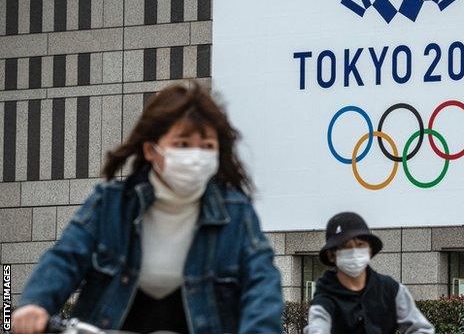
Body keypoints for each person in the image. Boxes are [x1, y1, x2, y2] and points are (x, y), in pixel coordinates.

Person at [11, 81, 284, 334]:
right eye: (182, 144)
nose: (196, 156)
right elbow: (67, 257)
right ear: (151, 150)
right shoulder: (111, 203)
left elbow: (261, 281)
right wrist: (36, 302)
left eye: (207, 146)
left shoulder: (236, 212)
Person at [304, 212, 435, 334]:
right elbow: (318, 328)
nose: (354, 252)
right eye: (345, 247)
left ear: (370, 250)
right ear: (332, 255)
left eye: (360, 245)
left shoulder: (391, 289)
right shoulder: (324, 300)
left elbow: (421, 329)